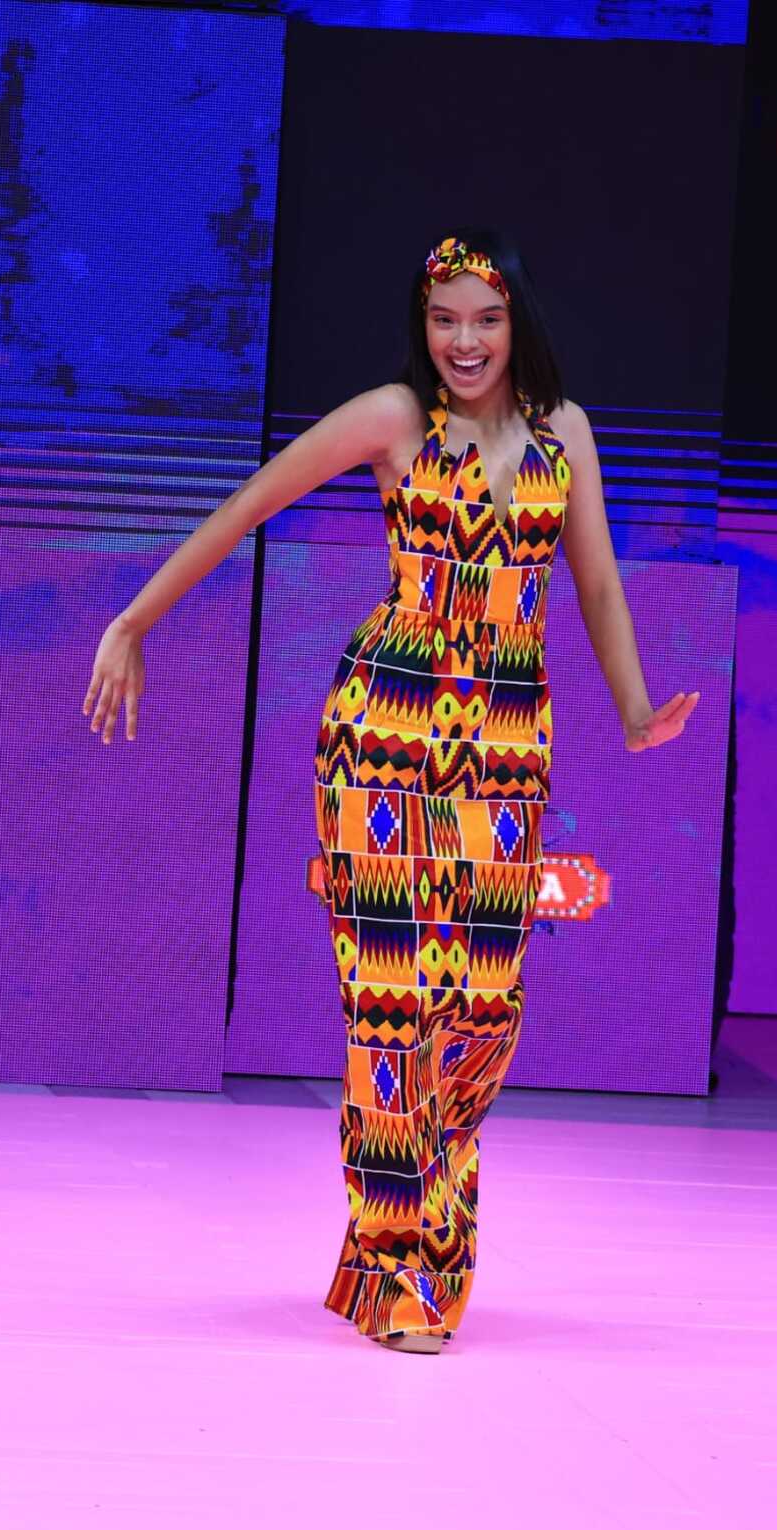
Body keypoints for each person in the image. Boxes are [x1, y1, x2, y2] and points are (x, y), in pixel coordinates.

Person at [83, 228, 700, 1356]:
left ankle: (398, 1257)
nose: (463, 341)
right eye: (443, 318)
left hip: (507, 744)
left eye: (485, 319)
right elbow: (249, 505)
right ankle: (409, 1275)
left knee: (483, 1011)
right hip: (383, 733)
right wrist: (133, 620)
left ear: (517, 322)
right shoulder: (391, 418)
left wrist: (632, 706)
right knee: (390, 1010)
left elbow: (598, 584)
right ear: (422, 325)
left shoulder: (564, 432)